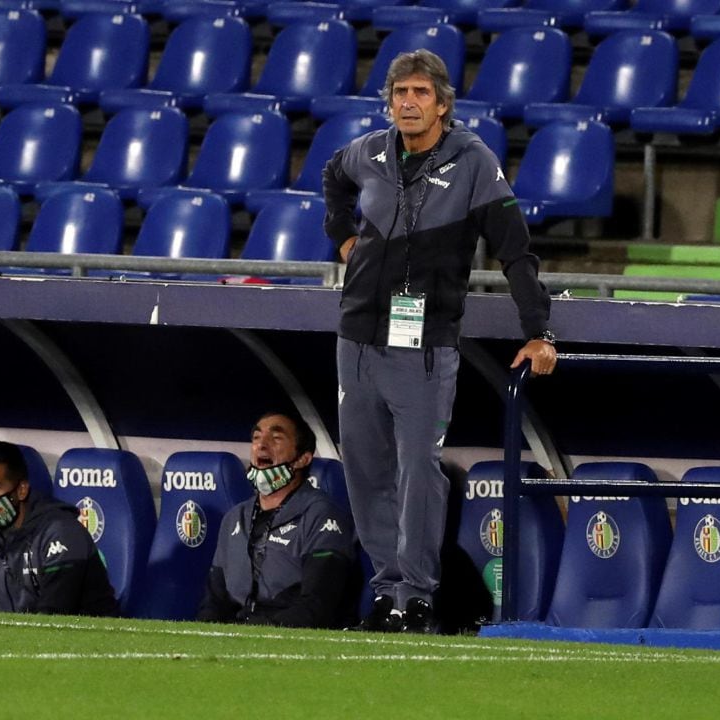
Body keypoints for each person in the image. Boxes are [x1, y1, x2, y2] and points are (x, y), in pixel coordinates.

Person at [322, 49, 557, 634]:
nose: (408, 102)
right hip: (355, 337)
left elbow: (515, 250)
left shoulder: (472, 159)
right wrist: (342, 239)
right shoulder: (371, 151)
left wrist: (538, 332)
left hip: (422, 345)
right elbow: (333, 176)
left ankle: (419, 595)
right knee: (365, 469)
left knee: (418, 471)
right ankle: (385, 594)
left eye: (421, 93)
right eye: (400, 92)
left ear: (443, 104)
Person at [196, 410, 357, 628]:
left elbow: (318, 606)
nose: (261, 445)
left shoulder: (321, 515)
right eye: (256, 437)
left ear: (302, 459)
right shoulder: (234, 518)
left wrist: (253, 632)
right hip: (242, 636)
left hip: (295, 640)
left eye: (276, 437)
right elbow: (214, 603)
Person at [0, 441, 119, 616]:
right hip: (27, 635)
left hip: (89, 640)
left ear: (21, 490)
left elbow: (54, 615)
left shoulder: (61, 531)